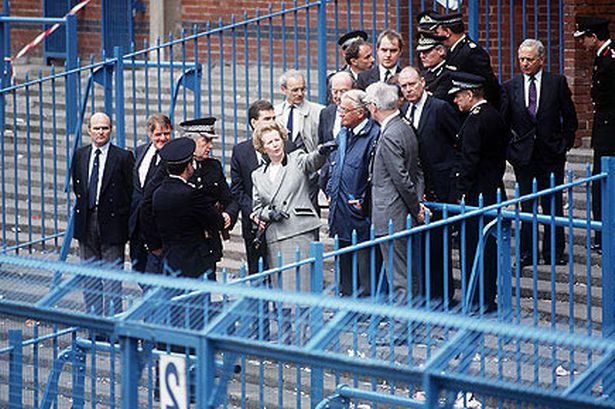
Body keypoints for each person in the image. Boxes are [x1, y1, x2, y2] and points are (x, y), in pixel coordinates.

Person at [501, 39, 578, 267]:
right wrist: (511, 150)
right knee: (527, 205)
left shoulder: (556, 83)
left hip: (551, 154)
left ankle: (554, 252)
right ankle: (527, 253)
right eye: (521, 59)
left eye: (529, 59)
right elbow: (504, 122)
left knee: (552, 204)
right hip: (524, 156)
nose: (524, 64)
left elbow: (570, 118)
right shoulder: (511, 86)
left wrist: (564, 144)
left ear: (541, 60)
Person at [398, 66, 461, 303]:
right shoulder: (404, 110)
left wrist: (453, 179)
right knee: (422, 244)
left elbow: (458, 141)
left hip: (440, 185)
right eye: (404, 86)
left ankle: (442, 295)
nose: (408, 89)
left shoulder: (439, 108)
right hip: (419, 187)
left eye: (412, 84)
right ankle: (426, 294)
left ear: (422, 83)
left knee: (439, 244)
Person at [251, 121, 336, 292]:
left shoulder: (296, 159)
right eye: (269, 142)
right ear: (263, 147)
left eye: (277, 140)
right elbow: (257, 208)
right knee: (282, 287)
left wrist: (321, 151)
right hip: (276, 235)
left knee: (303, 285)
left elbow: (311, 161)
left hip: (299, 230)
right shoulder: (258, 175)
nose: (275, 145)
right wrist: (269, 214)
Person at [449, 72, 509, 313]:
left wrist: (461, 191)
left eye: (458, 96)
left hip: (476, 194)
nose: (455, 100)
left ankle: (476, 299)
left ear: (470, 94)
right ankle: (485, 297)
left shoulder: (476, 119)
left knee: (473, 248)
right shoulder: (493, 115)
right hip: (493, 189)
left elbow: (469, 161)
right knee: (488, 248)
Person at [366, 82, 426, 301]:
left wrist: (416, 207)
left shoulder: (391, 133)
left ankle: (403, 319)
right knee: (404, 271)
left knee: (399, 276)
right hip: (400, 212)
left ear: (374, 107)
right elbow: (417, 171)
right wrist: (418, 201)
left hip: (392, 213)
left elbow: (401, 177)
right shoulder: (404, 126)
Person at [71, 112, 134, 316]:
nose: (100, 132)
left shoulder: (123, 157)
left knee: (112, 279)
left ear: (111, 130)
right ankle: (94, 321)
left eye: (105, 128)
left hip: (113, 224)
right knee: (90, 276)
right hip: (86, 220)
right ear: (89, 130)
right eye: (96, 128)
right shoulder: (80, 155)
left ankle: (111, 322)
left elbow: (130, 191)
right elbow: (78, 188)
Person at [321, 89, 380, 297]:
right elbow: (333, 167)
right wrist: (330, 190)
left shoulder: (374, 135)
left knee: (365, 271)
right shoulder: (343, 134)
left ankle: (366, 307)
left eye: (345, 110)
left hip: (361, 215)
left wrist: (363, 202)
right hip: (340, 211)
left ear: (360, 113)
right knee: (344, 271)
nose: (340, 114)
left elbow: (375, 176)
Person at [153, 137, 225, 278]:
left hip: (169, 261)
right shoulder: (192, 194)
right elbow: (216, 222)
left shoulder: (158, 194)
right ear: (188, 166)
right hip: (194, 263)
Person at [574, 16, 615, 254]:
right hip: (605, 127)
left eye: (584, 38)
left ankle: (605, 236)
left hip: (610, 130)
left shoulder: (610, 60)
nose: (582, 43)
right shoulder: (603, 57)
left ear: (594, 36)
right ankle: (602, 235)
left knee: (604, 182)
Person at [181, 117, 239, 280]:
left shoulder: (213, 166)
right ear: (191, 142)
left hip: (208, 245)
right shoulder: (178, 166)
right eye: (205, 141)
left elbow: (230, 199)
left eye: (211, 141)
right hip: (185, 244)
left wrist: (228, 215)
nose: (210, 146)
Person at [230, 100, 276, 274]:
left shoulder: (287, 147)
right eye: (267, 119)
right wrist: (255, 213)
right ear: (254, 123)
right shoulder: (240, 151)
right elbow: (237, 189)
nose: (272, 123)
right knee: (257, 274)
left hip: (282, 224)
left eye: (274, 118)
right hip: (254, 225)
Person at [129, 113, 172, 274]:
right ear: (149, 134)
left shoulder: (175, 156)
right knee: (138, 269)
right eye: (158, 134)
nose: (163, 138)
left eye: (166, 133)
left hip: (159, 225)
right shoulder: (140, 151)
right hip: (138, 223)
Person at [433, 12, 501, 108]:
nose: (437, 36)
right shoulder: (452, 51)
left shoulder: (472, 52)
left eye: (438, 33)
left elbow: (489, 85)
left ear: (447, 32)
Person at [275, 69, 324, 153]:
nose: (300, 94)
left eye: (302, 89)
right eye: (295, 90)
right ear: (283, 89)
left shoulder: (318, 111)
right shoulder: (275, 112)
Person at [318, 71, 356, 145]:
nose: (339, 96)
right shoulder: (326, 113)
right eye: (335, 92)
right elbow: (322, 143)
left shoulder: (359, 112)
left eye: (343, 91)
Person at [416, 33, 455, 102]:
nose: (422, 56)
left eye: (426, 51)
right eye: (420, 52)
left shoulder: (448, 75)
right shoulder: (423, 73)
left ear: (440, 51)